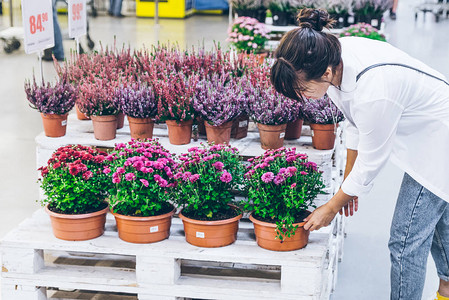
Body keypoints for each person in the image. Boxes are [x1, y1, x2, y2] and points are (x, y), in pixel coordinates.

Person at [270, 8, 449, 300]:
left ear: (325, 73)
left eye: (302, 89)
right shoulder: (334, 57)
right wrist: (347, 189)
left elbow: (371, 161)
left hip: (440, 141)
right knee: (440, 222)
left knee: (405, 242)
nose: (302, 97)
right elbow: (354, 126)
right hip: (427, 130)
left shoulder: (374, 90)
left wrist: (332, 205)